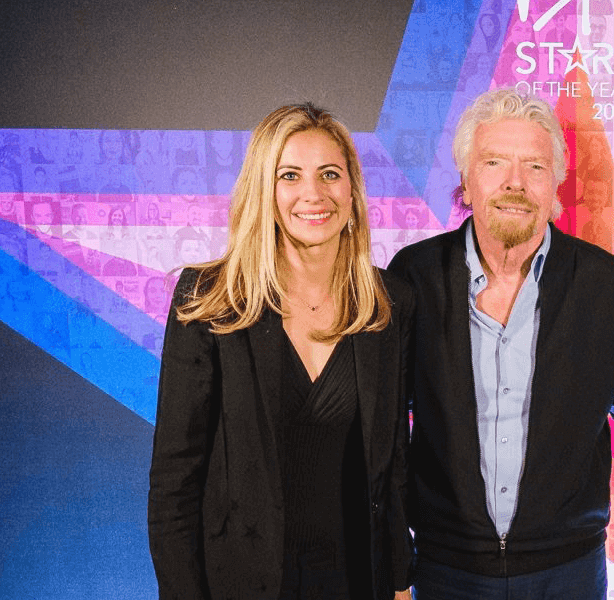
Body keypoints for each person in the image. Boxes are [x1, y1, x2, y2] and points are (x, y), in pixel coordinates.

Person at [148, 104, 415, 600]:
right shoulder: (210, 300)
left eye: (330, 175)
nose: (313, 194)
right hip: (242, 584)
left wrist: (399, 582)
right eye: (290, 175)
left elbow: (392, 463)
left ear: (352, 192)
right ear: (264, 192)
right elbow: (174, 482)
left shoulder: (387, 304)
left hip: (355, 580)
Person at [387, 88, 614, 599]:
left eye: (535, 166)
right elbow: (386, 423)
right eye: (494, 162)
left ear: (557, 184)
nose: (515, 183)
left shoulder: (605, 284)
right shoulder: (413, 277)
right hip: (446, 569)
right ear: (466, 179)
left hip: (568, 571)